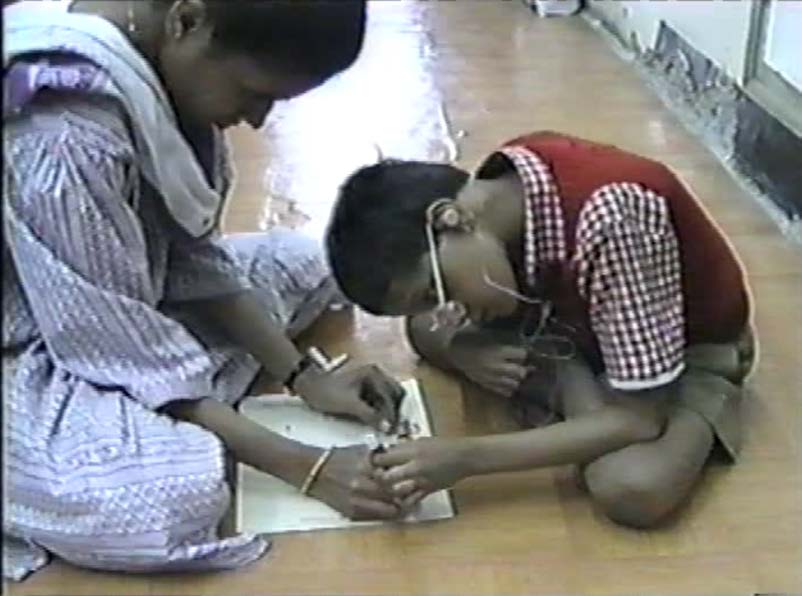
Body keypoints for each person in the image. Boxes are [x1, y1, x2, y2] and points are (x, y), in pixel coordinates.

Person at [3, 0, 405, 581]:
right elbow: (113, 344)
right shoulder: (65, 128)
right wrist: (307, 466)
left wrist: (304, 377)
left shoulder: (155, 61)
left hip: (119, 298)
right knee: (172, 498)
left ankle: (188, 400)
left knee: (307, 263)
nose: (258, 119)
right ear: (187, 21)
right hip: (30, 340)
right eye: (254, 93)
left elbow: (192, 254)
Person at [326, 130, 755, 529]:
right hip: (574, 318)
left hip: (686, 349)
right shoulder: (501, 194)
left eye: (436, 290)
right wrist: (464, 352)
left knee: (629, 486)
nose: (447, 308)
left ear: (449, 218)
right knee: (428, 330)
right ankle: (570, 380)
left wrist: (465, 457)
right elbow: (423, 326)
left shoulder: (615, 218)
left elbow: (638, 421)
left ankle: (701, 388)